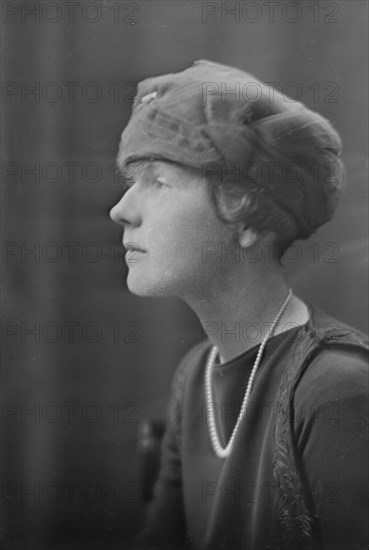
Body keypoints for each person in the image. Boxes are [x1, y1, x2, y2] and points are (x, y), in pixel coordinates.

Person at [110, 60, 368, 550]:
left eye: (158, 182)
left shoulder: (336, 393)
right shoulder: (198, 373)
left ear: (250, 217)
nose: (121, 210)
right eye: (131, 180)